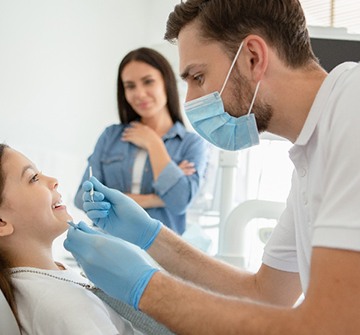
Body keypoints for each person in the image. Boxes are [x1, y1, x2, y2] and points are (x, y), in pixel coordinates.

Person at [64, 0, 360, 334]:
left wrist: (146, 288)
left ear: (253, 57)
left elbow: (331, 325)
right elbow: (265, 294)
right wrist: (151, 236)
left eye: (198, 76)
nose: (190, 101)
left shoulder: (353, 106)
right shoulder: (310, 155)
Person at [0, 144, 146, 334]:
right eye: (33, 178)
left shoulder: (48, 277)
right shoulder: (62, 306)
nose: (54, 180)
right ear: (2, 222)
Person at [74, 47, 208, 235]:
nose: (140, 93)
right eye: (130, 86)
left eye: (148, 82)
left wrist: (154, 145)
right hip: (110, 246)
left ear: (166, 82)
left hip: (163, 254)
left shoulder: (192, 144)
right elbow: (81, 197)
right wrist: (157, 198)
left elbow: (179, 202)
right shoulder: (110, 137)